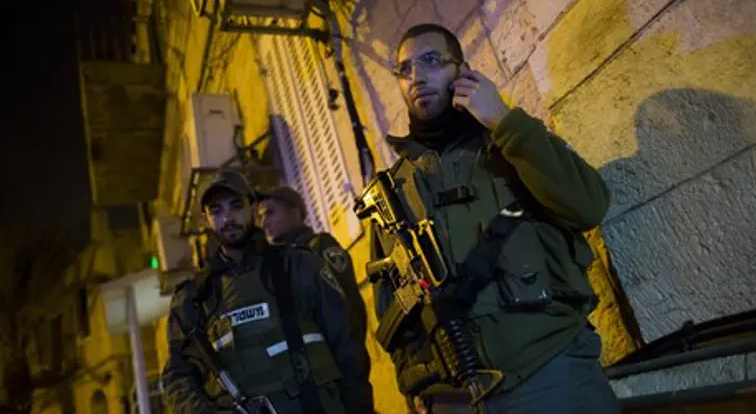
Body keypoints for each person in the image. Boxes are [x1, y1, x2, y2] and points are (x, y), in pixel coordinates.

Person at [368, 23, 620, 413]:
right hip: (454, 399)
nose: (416, 76)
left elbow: (588, 205)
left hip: (549, 375)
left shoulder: (508, 140)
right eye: (404, 69)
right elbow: (390, 310)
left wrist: (503, 119)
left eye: (432, 61)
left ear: (462, 70)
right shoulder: (392, 191)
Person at [163, 169, 374, 414]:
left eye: (236, 205)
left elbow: (347, 343)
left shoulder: (299, 265)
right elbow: (177, 377)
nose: (228, 218)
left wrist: (359, 408)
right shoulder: (193, 298)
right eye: (216, 210)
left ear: (252, 207)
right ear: (205, 219)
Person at [258, 186, 368, 344]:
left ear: (295, 213)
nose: (263, 223)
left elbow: (347, 307)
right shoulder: (280, 263)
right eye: (260, 216)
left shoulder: (320, 246)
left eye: (270, 213)